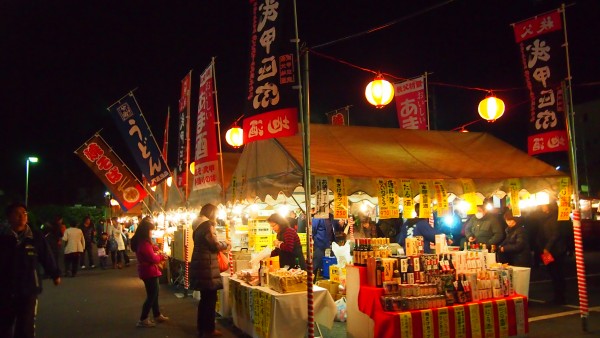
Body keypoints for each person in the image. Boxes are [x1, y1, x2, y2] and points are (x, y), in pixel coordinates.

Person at [0, 202, 61, 338]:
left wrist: (55, 273)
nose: (21, 216)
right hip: (5, 288)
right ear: (9, 217)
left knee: (25, 326)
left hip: (29, 287)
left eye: (24, 213)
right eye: (17, 213)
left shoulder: (35, 236)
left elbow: (46, 256)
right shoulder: (3, 237)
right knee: (4, 325)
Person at [189, 204, 231, 338]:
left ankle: (202, 328)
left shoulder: (197, 225)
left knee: (204, 300)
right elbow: (215, 245)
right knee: (210, 300)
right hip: (206, 266)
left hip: (201, 265)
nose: (217, 216)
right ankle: (209, 330)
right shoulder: (207, 225)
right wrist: (226, 244)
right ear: (212, 213)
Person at [131, 216, 169, 328]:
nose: (152, 232)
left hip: (149, 271)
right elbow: (153, 258)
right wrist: (161, 256)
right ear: (146, 231)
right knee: (152, 295)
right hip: (149, 272)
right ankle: (143, 319)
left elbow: (151, 251)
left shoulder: (143, 242)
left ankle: (157, 315)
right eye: (151, 230)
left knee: (154, 294)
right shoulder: (144, 243)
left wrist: (155, 249)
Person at [536, 202, 567, 304]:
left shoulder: (554, 217)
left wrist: (547, 247)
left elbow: (555, 234)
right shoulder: (545, 217)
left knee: (557, 273)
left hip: (555, 251)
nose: (542, 206)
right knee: (551, 272)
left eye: (543, 205)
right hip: (547, 251)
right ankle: (557, 296)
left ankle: (560, 297)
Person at [311, 202, 343, 278]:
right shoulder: (317, 217)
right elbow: (312, 230)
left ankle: (328, 279)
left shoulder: (332, 217)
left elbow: (337, 228)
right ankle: (312, 281)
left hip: (331, 244)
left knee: (332, 264)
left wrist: (341, 224)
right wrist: (313, 240)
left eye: (328, 208)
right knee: (316, 263)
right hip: (320, 244)